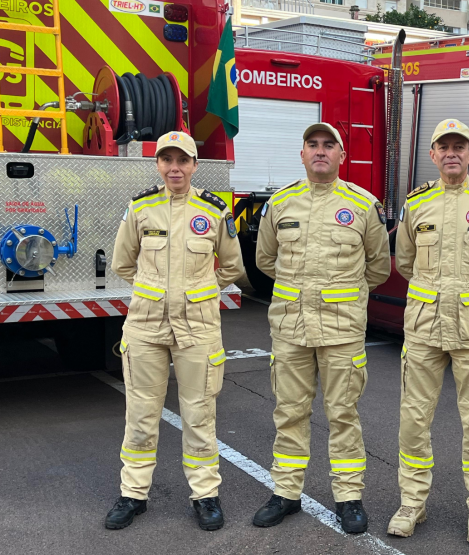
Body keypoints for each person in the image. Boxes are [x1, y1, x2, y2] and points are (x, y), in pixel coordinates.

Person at [387, 119, 469, 545]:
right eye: (443, 146)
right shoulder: (417, 203)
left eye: (459, 146)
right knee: (413, 420)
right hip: (424, 328)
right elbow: (405, 262)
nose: (451, 153)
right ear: (432, 154)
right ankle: (412, 503)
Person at [252, 122, 390, 534]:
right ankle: (286, 493)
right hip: (291, 327)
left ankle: (349, 498)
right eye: (312, 144)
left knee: (343, 415)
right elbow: (265, 260)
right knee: (289, 413)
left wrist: (339, 294)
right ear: (302, 155)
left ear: (341, 156)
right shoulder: (280, 203)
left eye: (329, 145)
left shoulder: (363, 205)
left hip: (341, 329)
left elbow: (378, 267)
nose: (320, 151)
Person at [107, 131, 245, 531]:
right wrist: (156, 295)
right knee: (140, 415)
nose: (174, 167)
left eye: (182, 160)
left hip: (198, 328)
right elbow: (123, 263)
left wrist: (197, 294)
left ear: (195, 165)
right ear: (157, 165)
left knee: (199, 414)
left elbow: (233, 267)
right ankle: (133, 494)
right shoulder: (140, 208)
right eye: (166, 160)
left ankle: (205, 496)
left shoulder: (214, 210)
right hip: (145, 327)